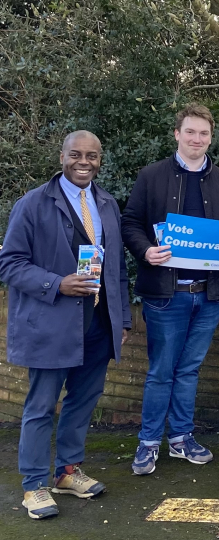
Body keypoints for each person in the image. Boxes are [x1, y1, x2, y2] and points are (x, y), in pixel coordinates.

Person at [0, 131, 131, 519]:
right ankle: (34, 485)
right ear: (62, 156)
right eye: (76, 154)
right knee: (41, 407)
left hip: (98, 323)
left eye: (92, 155)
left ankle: (68, 472)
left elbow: (117, 268)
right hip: (51, 324)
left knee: (83, 401)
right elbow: (9, 263)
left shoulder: (106, 203)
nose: (84, 162)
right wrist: (56, 283)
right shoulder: (33, 204)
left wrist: (121, 318)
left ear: (99, 159)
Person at [121, 103, 219, 476]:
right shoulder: (152, 176)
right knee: (161, 371)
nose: (197, 139)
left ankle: (180, 439)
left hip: (207, 295)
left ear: (211, 137)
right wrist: (146, 250)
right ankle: (148, 444)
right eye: (190, 132)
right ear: (177, 134)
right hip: (166, 294)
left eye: (204, 134)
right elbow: (130, 222)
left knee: (190, 370)